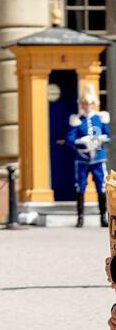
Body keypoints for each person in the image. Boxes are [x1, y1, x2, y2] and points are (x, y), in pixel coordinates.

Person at [67, 85, 110, 227]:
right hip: (82, 158)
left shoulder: (100, 119)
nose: (87, 106)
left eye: (90, 103)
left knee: (101, 186)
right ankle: (80, 218)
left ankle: (103, 217)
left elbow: (108, 135)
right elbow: (70, 139)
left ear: (94, 104)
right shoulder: (77, 120)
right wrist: (80, 140)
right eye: (85, 103)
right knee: (80, 187)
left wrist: (101, 138)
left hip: (98, 157)